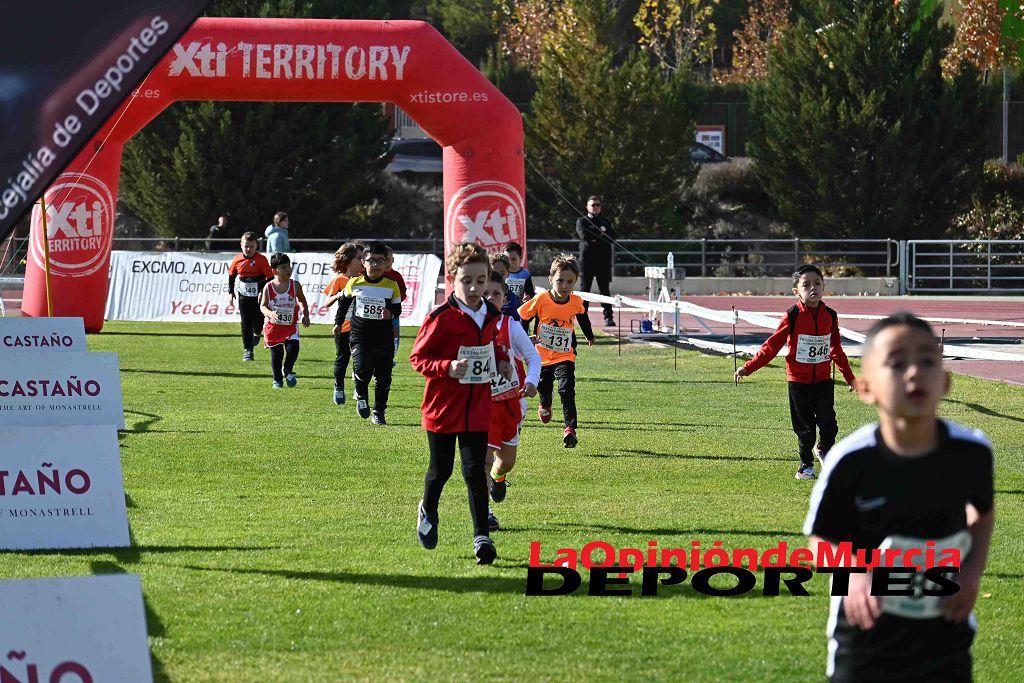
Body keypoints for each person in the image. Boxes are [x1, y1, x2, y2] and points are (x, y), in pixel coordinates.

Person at [804, 313, 994, 683]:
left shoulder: (971, 452)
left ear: (946, 381)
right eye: (896, 362)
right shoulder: (849, 460)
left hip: (945, 636)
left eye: (927, 360)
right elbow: (819, 540)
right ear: (865, 388)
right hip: (863, 639)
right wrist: (855, 574)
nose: (914, 372)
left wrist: (971, 571)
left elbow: (982, 514)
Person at [409, 242, 513, 565]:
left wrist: (502, 361)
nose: (473, 288)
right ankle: (428, 510)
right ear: (452, 279)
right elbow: (417, 358)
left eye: (480, 281)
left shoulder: (492, 314)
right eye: (466, 280)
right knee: (441, 472)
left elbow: (492, 346)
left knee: (474, 472)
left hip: (478, 410)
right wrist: (447, 368)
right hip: (442, 409)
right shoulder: (440, 318)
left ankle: (482, 536)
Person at [735, 264, 856, 480]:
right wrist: (748, 368)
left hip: (823, 381)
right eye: (806, 285)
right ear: (796, 291)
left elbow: (836, 349)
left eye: (817, 283)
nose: (813, 288)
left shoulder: (830, 315)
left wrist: (850, 378)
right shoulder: (791, 316)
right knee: (805, 428)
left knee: (829, 424)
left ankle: (824, 449)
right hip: (798, 382)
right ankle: (805, 465)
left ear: (824, 286)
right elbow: (771, 347)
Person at [518, 254, 595, 448]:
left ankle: (570, 429)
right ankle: (545, 403)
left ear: (575, 282)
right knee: (544, 388)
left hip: (565, 354)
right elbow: (524, 316)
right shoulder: (541, 299)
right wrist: (524, 337)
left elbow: (583, 317)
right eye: (560, 280)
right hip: (542, 356)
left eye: (570, 281)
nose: (565, 285)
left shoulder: (576, 301)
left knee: (567, 389)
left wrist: (589, 335)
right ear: (551, 279)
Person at [483, 271, 540, 532]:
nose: (489, 297)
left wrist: (531, 381)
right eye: (484, 292)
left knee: (506, 460)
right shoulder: (466, 326)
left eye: (495, 293)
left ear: (504, 298)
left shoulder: (511, 326)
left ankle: (499, 476)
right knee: (482, 459)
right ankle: (485, 512)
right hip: (480, 405)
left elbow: (533, 357)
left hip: (511, 403)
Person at [333, 241, 403, 425]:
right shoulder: (354, 283)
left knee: (383, 377)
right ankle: (361, 395)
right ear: (363, 262)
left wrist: (391, 314)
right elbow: (344, 304)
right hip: (359, 335)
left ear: (386, 263)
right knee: (363, 369)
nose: (376, 264)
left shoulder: (391, 285)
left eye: (381, 261)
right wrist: (338, 323)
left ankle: (379, 411)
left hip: (383, 337)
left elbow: (397, 309)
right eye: (372, 260)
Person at [259, 252, 310, 389]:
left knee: (293, 348)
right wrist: (270, 313)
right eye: (283, 267)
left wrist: (306, 314)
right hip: (273, 326)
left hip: (290, 325)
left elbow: (302, 300)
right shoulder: (268, 287)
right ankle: (277, 380)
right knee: (277, 354)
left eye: (289, 266)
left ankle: (287, 369)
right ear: (274, 270)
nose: (288, 270)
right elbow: (262, 306)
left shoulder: (295, 285)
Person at [323, 241, 364, 405]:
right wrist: (339, 295)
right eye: (359, 258)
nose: (362, 262)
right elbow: (327, 302)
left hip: (361, 327)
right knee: (343, 358)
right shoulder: (340, 279)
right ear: (348, 260)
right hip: (343, 327)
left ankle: (358, 389)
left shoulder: (364, 279)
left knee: (360, 360)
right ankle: (338, 386)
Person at [228, 231, 274, 362]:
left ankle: (257, 332)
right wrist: (230, 292)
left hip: (259, 295)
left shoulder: (261, 259)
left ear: (256, 246)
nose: (249, 249)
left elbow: (270, 277)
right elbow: (231, 276)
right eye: (246, 246)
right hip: (243, 295)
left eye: (252, 246)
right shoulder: (237, 259)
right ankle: (248, 350)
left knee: (259, 320)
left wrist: (260, 288)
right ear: (241, 245)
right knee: (245, 322)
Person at [575, 195, 616, 326]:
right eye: (593, 205)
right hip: (587, 262)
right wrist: (600, 236)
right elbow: (584, 235)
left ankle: (608, 317)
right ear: (587, 207)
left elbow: (612, 237)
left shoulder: (606, 222)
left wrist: (596, 236)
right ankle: (582, 318)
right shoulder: (582, 221)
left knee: (605, 290)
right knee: (584, 290)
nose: (595, 207)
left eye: (598, 205)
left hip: (603, 262)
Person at [383, 247, 408, 364]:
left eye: (389, 259)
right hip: (377, 316)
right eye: (384, 259)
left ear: (393, 260)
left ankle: (389, 360)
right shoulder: (373, 275)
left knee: (394, 340)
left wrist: (395, 299)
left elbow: (403, 293)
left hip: (393, 315)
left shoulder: (396, 276)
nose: (387, 262)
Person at [487, 252, 522, 320]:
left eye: (502, 274)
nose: (498, 277)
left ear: (508, 273)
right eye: (494, 273)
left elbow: (515, 322)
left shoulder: (513, 299)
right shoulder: (481, 295)